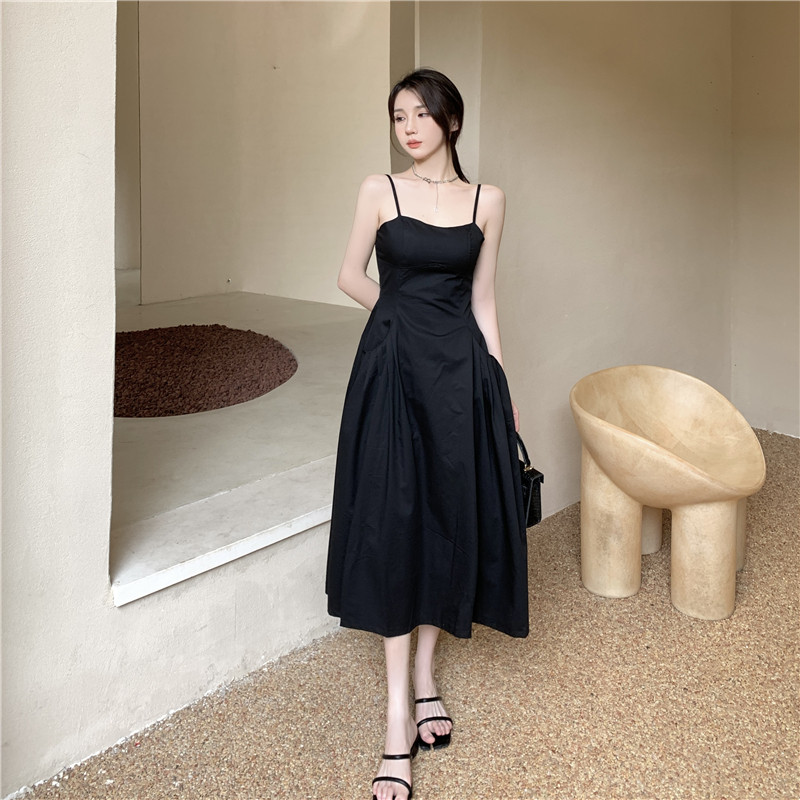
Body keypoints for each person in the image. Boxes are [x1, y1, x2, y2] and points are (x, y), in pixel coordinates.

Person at [325, 68, 529, 800]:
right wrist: (400, 319)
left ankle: (424, 677)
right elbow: (349, 275)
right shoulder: (379, 189)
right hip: (392, 372)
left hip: (460, 379)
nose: (408, 128)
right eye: (398, 116)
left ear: (451, 121)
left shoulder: (487, 200)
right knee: (393, 524)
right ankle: (395, 719)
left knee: (447, 516)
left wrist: (499, 385)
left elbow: (483, 299)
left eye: (421, 114)